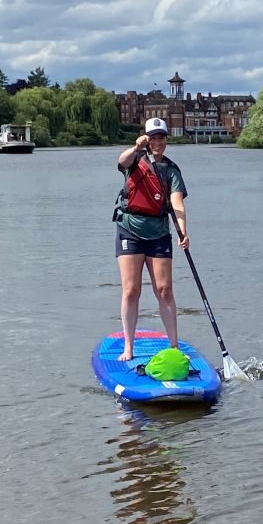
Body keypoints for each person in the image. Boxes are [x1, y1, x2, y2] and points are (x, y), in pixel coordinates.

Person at [113, 118, 189, 361]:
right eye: (152, 137)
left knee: (165, 290)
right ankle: (128, 347)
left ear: (166, 139)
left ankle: (174, 347)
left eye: (161, 137)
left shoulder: (171, 170)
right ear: (145, 138)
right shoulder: (135, 159)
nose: (157, 142)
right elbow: (121, 161)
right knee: (131, 290)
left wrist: (183, 231)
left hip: (158, 232)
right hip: (130, 230)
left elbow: (177, 202)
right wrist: (136, 148)